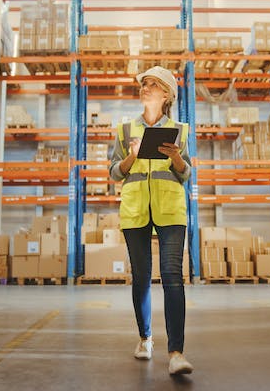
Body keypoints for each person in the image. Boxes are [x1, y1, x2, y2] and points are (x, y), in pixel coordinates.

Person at [108, 66, 194, 375]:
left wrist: (176, 158)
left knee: (172, 277)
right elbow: (113, 172)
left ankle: (176, 353)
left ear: (167, 94)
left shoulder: (180, 130)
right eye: (144, 84)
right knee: (142, 277)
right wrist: (130, 158)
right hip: (135, 210)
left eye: (153, 84)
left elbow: (186, 174)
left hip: (170, 208)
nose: (145, 88)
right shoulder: (125, 129)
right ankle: (145, 339)